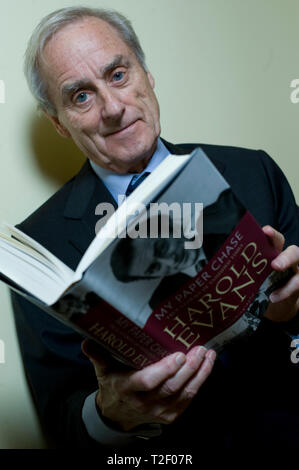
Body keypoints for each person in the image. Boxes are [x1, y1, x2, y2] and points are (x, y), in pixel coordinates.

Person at [11, 6, 299, 453]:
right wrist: (112, 416)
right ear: (58, 124)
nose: (112, 107)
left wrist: (290, 310)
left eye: (119, 74)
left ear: (146, 73)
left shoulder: (253, 171)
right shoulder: (39, 248)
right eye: (80, 97)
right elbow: (60, 421)